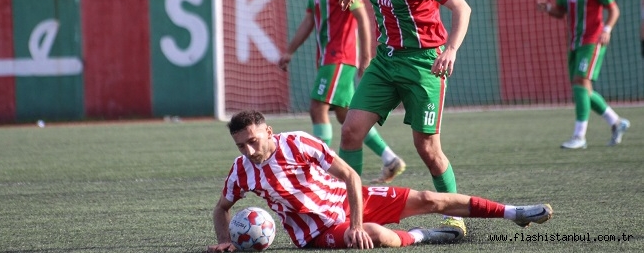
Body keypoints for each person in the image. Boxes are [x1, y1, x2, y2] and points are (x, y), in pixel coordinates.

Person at [206, 110, 553, 251]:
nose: (249, 150)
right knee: (371, 234)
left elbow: (350, 176)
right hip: (315, 231)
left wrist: (354, 219)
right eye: (241, 145)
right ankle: (424, 236)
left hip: (344, 200)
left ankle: (515, 212)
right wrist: (224, 240)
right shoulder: (241, 171)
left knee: (430, 199)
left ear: (268, 131)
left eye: (253, 140)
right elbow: (221, 208)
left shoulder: (298, 142)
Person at [337, 0, 472, 240]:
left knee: (426, 147)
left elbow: (461, 8)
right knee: (350, 132)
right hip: (386, 61)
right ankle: (344, 210)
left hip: (424, 63)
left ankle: (454, 215)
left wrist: (450, 49)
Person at [278, 0, 406, 184]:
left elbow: (361, 17)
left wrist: (366, 56)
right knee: (345, 116)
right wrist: (290, 50)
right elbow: (308, 20)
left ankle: (318, 170)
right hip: (326, 55)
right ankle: (390, 158)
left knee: (317, 107)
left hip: (340, 55)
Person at [536, 0, 631, 149]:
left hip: (593, 39)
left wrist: (607, 30)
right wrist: (549, 7)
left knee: (580, 82)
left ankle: (580, 137)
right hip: (574, 41)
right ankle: (616, 122)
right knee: (583, 88)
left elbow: (613, 9)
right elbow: (561, 11)